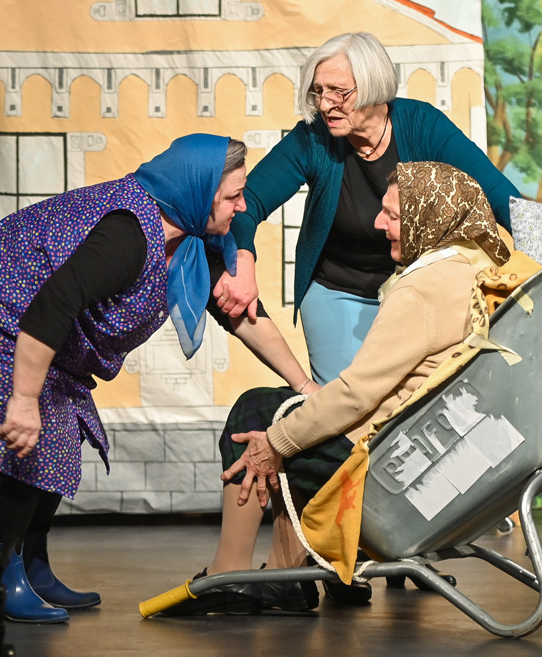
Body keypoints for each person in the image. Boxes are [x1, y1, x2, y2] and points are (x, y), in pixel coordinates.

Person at [0, 134, 320, 624]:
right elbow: (52, 305)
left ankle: (32, 566)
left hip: (34, 321)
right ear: (198, 193)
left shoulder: (190, 241)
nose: (242, 207)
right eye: (233, 197)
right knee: (39, 435)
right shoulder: (128, 235)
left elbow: (242, 316)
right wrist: (24, 399)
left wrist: (305, 387)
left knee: (62, 429)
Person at [165, 161, 512, 615]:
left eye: (393, 215)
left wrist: (277, 440)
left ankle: (227, 574)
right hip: (433, 448)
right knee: (294, 413)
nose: (378, 223)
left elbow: (355, 394)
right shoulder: (478, 269)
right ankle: (288, 575)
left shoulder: (424, 289)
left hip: (387, 461)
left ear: (429, 215)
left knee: (257, 413)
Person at [215, 32, 520, 390]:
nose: (325, 104)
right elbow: (246, 203)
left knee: (421, 403)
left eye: (338, 92)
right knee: (347, 405)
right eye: (318, 91)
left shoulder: (422, 126)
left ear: (375, 87)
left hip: (420, 291)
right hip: (337, 292)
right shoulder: (313, 138)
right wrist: (243, 260)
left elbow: (503, 200)